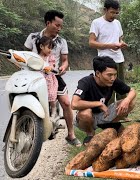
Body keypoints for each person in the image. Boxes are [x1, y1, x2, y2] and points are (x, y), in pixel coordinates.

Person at [24, 10, 81, 146]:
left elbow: (65, 60)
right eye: (57, 25)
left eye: (61, 26)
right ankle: (22, 133)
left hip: (53, 75)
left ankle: (71, 135)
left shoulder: (62, 41)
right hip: (33, 75)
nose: (59, 29)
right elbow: (24, 56)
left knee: (66, 103)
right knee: (25, 101)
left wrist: (63, 67)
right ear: (48, 23)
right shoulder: (33, 37)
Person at [71, 56, 136, 145]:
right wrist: (98, 104)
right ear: (98, 73)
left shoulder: (113, 81)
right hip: (87, 118)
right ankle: (90, 134)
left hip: (105, 114)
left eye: (115, 74)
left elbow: (132, 91)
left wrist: (127, 100)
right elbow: (74, 104)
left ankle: (111, 126)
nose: (113, 78)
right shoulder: (86, 82)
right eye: (109, 75)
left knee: (130, 102)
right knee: (85, 113)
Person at [89, 0, 128, 101]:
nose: (114, 15)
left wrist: (121, 43)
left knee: (121, 89)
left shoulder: (117, 23)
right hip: (105, 61)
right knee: (108, 89)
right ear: (105, 10)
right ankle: (108, 115)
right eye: (112, 12)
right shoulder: (96, 23)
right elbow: (91, 43)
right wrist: (110, 45)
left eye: (116, 13)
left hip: (119, 59)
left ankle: (122, 114)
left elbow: (119, 38)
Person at [36, 36, 58, 118]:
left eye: (51, 48)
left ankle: (53, 109)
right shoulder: (36, 57)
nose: (50, 50)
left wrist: (51, 67)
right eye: (49, 48)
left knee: (51, 95)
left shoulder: (50, 57)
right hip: (38, 79)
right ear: (41, 47)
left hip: (49, 80)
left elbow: (52, 65)